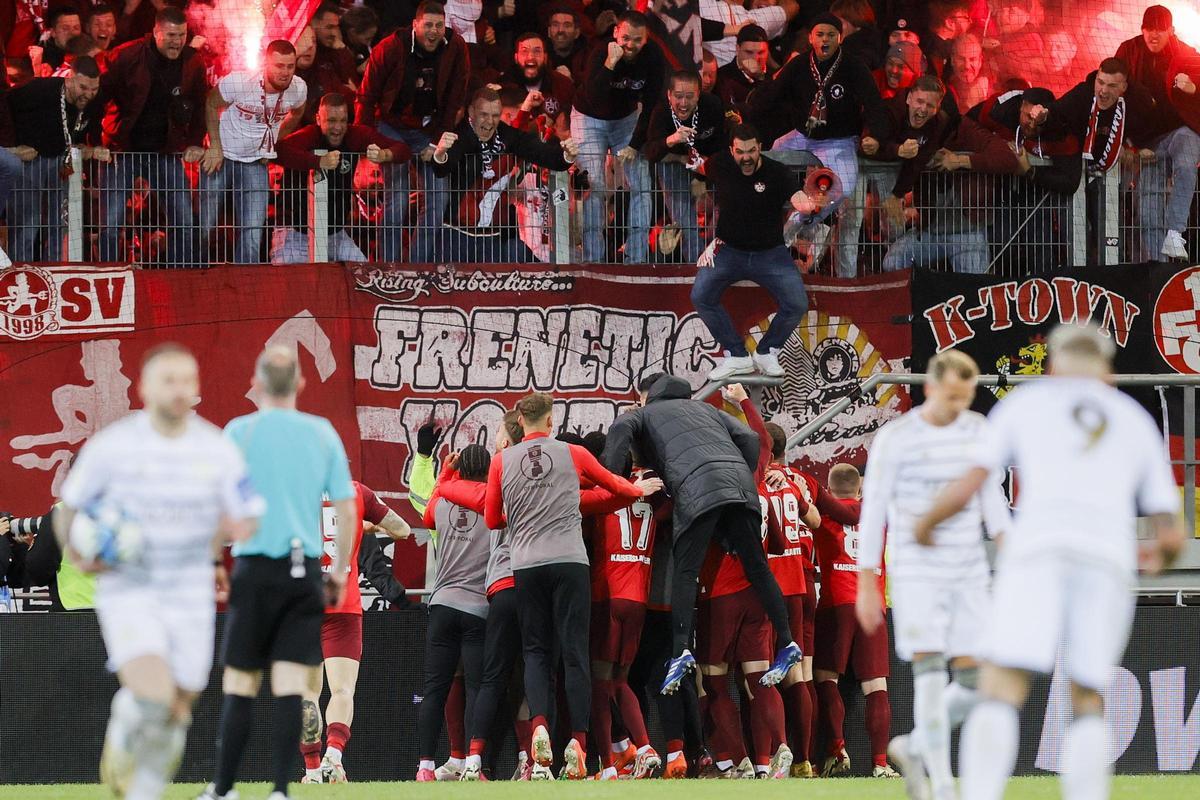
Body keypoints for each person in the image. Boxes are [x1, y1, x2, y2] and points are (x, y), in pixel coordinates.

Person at [915, 325, 1185, 800]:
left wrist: (925, 523)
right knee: (1086, 695)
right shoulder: (1131, 419)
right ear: (1107, 372)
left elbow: (972, 481)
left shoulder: (1026, 405)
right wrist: (1156, 555)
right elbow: (1172, 533)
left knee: (1002, 685)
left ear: (1054, 365)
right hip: (1106, 558)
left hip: (1036, 554)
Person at [54, 344, 260, 800]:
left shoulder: (216, 449)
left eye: (188, 380)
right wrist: (78, 550)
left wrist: (232, 530)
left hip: (189, 594)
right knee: (152, 695)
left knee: (178, 707)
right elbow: (69, 508)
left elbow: (245, 514)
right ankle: (129, 733)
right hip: (130, 589)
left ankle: (140, 776)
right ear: (144, 387)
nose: (179, 389)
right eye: (168, 379)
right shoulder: (113, 447)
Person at [200, 346, 358, 800]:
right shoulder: (321, 432)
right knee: (292, 683)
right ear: (301, 385)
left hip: (254, 567)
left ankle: (223, 788)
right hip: (302, 569)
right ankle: (280, 790)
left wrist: (215, 560)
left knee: (240, 681)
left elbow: (219, 503)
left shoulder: (238, 432)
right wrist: (341, 569)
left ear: (258, 383)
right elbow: (346, 507)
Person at [854, 350, 1010, 800]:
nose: (959, 407)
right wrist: (869, 581)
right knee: (928, 666)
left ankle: (915, 745)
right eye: (952, 397)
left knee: (973, 680)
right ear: (930, 388)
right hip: (916, 569)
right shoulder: (896, 438)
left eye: (966, 399)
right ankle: (942, 784)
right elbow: (874, 512)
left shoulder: (980, 433)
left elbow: (994, 508)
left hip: (968, 569)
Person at [483, 392, 655, 779]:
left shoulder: (500, 463)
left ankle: (540, 725)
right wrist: (637, 490)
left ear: (520, 423)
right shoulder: (572, 455)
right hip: (571, 563)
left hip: (526, 565)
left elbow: (493, 519)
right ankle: (577, 742)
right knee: (575, 653)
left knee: (536, 652)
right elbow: (616, 486)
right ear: (550, 422)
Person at [601, 373, 802, 696]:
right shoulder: (707, 410)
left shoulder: (644, 413)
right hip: (741, 489)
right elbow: (751, 439)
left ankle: (681, 649)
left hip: (697, 490)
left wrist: (614, 483)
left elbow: (619, 430)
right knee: (758, 568)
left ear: (649, 396)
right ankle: (788, 639)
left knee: (686, 571)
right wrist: (744, 478)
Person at [749, 13, 888, 277]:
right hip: (802, 136)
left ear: (841, 38)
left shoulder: (854, 67)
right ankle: (761, 231)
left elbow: (874, 105)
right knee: (766, 164)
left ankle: (796, 224)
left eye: (831, 35)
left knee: (844, 187)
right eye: (820, 34)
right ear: (811, 37)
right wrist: (744, 124)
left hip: (839, 141)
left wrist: (876, 136)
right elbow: (770, 99)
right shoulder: (798, 65)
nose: (825, 40)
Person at [300, 480, 411, 784]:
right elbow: (402, 529)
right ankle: (333, 758)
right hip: (343, 608)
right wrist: (366, 526)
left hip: (302, 607)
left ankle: (311, 770)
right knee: (342, 691)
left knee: (308, 694)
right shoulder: (357, 491)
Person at [691, 123, 812, 381]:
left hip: (770, 254)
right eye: (740, 152)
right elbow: (700, 165)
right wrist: (682, 157)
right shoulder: (720, 164)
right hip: (727, 251)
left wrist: (807, 204)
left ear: (760, 148)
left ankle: (767, 352)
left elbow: (798, 196)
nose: (746, 157)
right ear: (731, 150)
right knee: (701, 295)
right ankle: (736, 355)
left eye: (751, 151)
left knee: (797, 303)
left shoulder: (777, 172)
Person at [355, 0, 469, 262]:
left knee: (438, 200)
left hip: (428, 128)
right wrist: (365, 140)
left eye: (439, 26)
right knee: (400, 196)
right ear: (415, 25)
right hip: (389, 125)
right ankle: (389, 266)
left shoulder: (456, 47)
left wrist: (440, 139)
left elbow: (456, 97)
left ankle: (417, 267)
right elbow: (366, 95)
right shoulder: (391, 47)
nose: (433, 31)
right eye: (427, 25)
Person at [875, 76, 1019, 274]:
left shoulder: (966, 129)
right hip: (930, 231)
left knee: (973, 287)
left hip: (967, 232)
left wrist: (961, 161)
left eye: (932, 107)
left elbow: (1008, 159)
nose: (925, 111)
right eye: (922, 104)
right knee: (893, 263)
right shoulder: (915, 128)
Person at [98, 7, 208, 265]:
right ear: (156, 32)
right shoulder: (125, 56)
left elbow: (200, 106)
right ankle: (108, 274)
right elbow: (98, 98)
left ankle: (182, 274)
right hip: (123, 151)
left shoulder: (193, 61)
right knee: (111, 222)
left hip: (165, 151)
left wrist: (194, 141)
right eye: (171, 35)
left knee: (182, 218)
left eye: (181, 35)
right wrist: (95, 143)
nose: (177, 41)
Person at [812, 462, 897, 779]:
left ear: (830, 489)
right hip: (873, 605)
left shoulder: (826, 515)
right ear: (860, 488)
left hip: (837, 603)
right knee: (876, 685)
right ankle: (880, 763)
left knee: (825, 678)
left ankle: (836, 747)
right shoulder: (879, 516)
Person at [415, 445, 494, 782]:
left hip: (442, 604)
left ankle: (425, 768)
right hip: (478, 607)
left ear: (460, 471)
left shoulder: (442, 504)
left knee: (435, 689)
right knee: (477, 687)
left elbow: (425, 514)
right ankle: (474, 764)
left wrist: (445, 473)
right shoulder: (494, 503)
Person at [586, 436, 663, 781]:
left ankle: (607, 764)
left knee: (600, 682)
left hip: (607, 594)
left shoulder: (606, 491)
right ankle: (645, 748)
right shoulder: (653, 494)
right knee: (621, 680)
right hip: (639, 598)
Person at [429, 87, 577, 262]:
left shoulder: (506, 136)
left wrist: (566, 156)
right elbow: (442, 168)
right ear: (471, 112)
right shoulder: (459, 135)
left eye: (495, 115)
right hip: (456, 234)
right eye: (484, 115)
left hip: (493, 236)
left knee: (514, 259)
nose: (490, 122)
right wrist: (439, 155)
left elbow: (537, 150)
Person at [570, 10, 666, 264]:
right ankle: (594, 260)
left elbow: (653, 105)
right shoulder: (601, 52)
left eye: (637, 39)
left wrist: (635, 144)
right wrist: (610, 64)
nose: (630, 45)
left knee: (642, 185)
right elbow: (594, 97)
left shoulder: (654, 57)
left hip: (627, 120)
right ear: (615, 33)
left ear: (646, 39)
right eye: (625, 38)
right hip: (589, 118)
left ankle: (636, 258)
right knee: (595, 185)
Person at [201, 40, 307, 264]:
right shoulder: (241, 81)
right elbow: (211, 103)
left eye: (290, 66)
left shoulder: (298, 88)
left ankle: (245, 281)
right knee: (205, 224)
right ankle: (192, 274)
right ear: (266, 64)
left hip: (255, 164)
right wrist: (215, 146)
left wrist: (272, 142)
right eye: (279, 65)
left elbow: (296, 114)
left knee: (252, 231)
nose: (285, 72)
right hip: (222, 157)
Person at [274, 93, 410, 263]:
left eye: (342, 121)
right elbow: (278, 151)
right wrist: (317, 161)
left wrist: (384, 154)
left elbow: (403, 149)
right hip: (296, 232)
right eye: (331, 121)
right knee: (291, 285)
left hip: (335, 234)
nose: (338, 128)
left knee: (363, 276)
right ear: (318, 119)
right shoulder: (309, 135)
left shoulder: (355, 135)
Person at [760, 421, 822, 779]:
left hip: (770, 587)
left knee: (762, 670)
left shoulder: (757, 481)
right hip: (803, 584)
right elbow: (814, 520)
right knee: (799, 672)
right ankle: (804, 759)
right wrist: (802, 497)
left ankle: (766, 758)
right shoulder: (800, 481)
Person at [1114, 5, 1200, 261]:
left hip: (1179, 132)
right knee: (1149, 210)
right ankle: (1157, 268)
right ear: (1142, 30)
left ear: (1171, 31)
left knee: (1186, 163)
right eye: (1148, 29)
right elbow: (1106, 77)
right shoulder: (1128, 50)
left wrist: (1193, 87)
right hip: (1147, 142)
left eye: (1160, 30)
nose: (1153, 35)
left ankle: (1175, 233)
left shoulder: (1184, 52)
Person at [6, 56, 104, 263]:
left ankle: (54, 272)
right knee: (28, 223)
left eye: (94, 89)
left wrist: (89, 147)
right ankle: (20, 275)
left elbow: (90, 130)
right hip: (29, 163)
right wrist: (12, 146)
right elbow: (5, 107)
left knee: (59, 224)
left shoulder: (94, 101)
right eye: (83, 87)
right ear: (69, 80)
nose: (88, 94)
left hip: (61, 162)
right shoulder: (39, 90)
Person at [641, 69, 727, 264]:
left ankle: (721, 262)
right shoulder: (661, 111)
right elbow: (651, 153)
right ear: (669, 95)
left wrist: (703, 177)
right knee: (686, 221)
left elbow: (721, 147)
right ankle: (696, 268)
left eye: (690, 96)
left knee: (726, 208)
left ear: (699, 94)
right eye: (678, 96)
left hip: (706, 164)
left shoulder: (712, 105)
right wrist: (671, 140)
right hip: (672, 164)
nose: (684, 103)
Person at [714, 24, 769, 117]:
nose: (755, 58)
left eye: (761, 52)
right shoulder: (721, 79)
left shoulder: (776, 76)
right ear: (737, 49)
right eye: (749, 52)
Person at [947, 34, 991, 113]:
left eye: (972, 59)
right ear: (952, 60)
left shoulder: (993, 88)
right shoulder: (944, 91)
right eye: (961, 59)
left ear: (980, 61)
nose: (967, 66)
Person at [545, 4, 588, 81]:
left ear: (577, 33)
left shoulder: (588, 58)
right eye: (555, 25)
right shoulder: (541, 58)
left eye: (567, 25)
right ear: (549, 31)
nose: (560, 30)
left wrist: (570, 84)